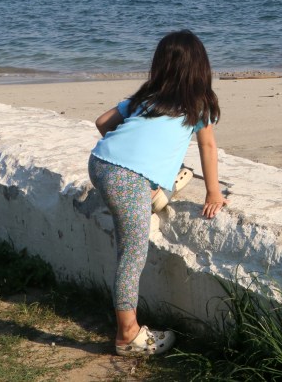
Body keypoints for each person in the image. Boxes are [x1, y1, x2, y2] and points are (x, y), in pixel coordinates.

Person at [88, 30, 227, 357]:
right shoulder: (199, 103)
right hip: (127, 179)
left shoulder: (145, 98)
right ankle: (127, 335)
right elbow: (207, 146)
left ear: (160, 66)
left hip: (100, 162)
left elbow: (102, 122)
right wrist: (213, 193)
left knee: (135, 222)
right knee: (132, 253)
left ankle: (155, 191)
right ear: (200, 68)